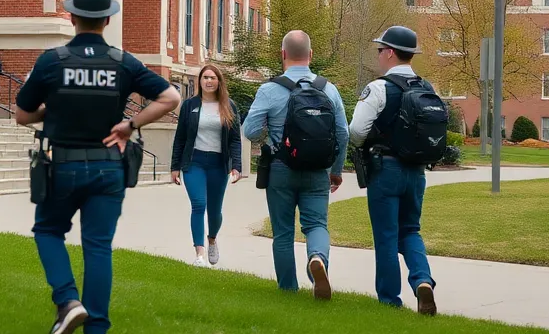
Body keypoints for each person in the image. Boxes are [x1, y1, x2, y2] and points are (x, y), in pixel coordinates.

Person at [16, 0, 180, 334]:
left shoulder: (52, 61)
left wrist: (51, 110)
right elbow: (170, 97)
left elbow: (22, 115)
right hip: (108, 168)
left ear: (72, 17)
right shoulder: (123, 63)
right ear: (107, 20)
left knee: (48, 231)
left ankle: (68, 301)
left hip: (63, 166)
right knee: (98, 247)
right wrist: (130, 125)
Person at [242, 30, 349, 300]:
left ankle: (288, 290)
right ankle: (317, 259)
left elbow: (250, 131)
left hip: (281, 168)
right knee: (316, 225)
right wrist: (335, 171)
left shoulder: (270, 89)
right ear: (311, 55)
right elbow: (343, 133)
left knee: (283, 232)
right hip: (317, 172)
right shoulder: (329, 89)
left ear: (283, 54)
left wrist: (271, 131)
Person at [349, 26, 441, 316]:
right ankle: (422, 281)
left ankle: (390, 300)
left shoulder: (378, 88)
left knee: (387, 236)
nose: (378, 55)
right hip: (416, 172)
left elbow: (356, 132)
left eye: (380, 50)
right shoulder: (427, 89)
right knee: (411, 230)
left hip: (385, 169)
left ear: (389, 52)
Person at [170, 63, 243, 268]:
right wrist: (175, 166)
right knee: (198, 204)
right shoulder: (189, 105)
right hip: (194, 162)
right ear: (200, 81)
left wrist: (236, 166)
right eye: (205, 78)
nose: (209, 81)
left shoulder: (229, 106)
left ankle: (212, 239)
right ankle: (199, 253)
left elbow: (235, 139)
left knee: (215, 211)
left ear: (219, 82)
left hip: (219, 164)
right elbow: (180, 138)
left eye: (212, 78)